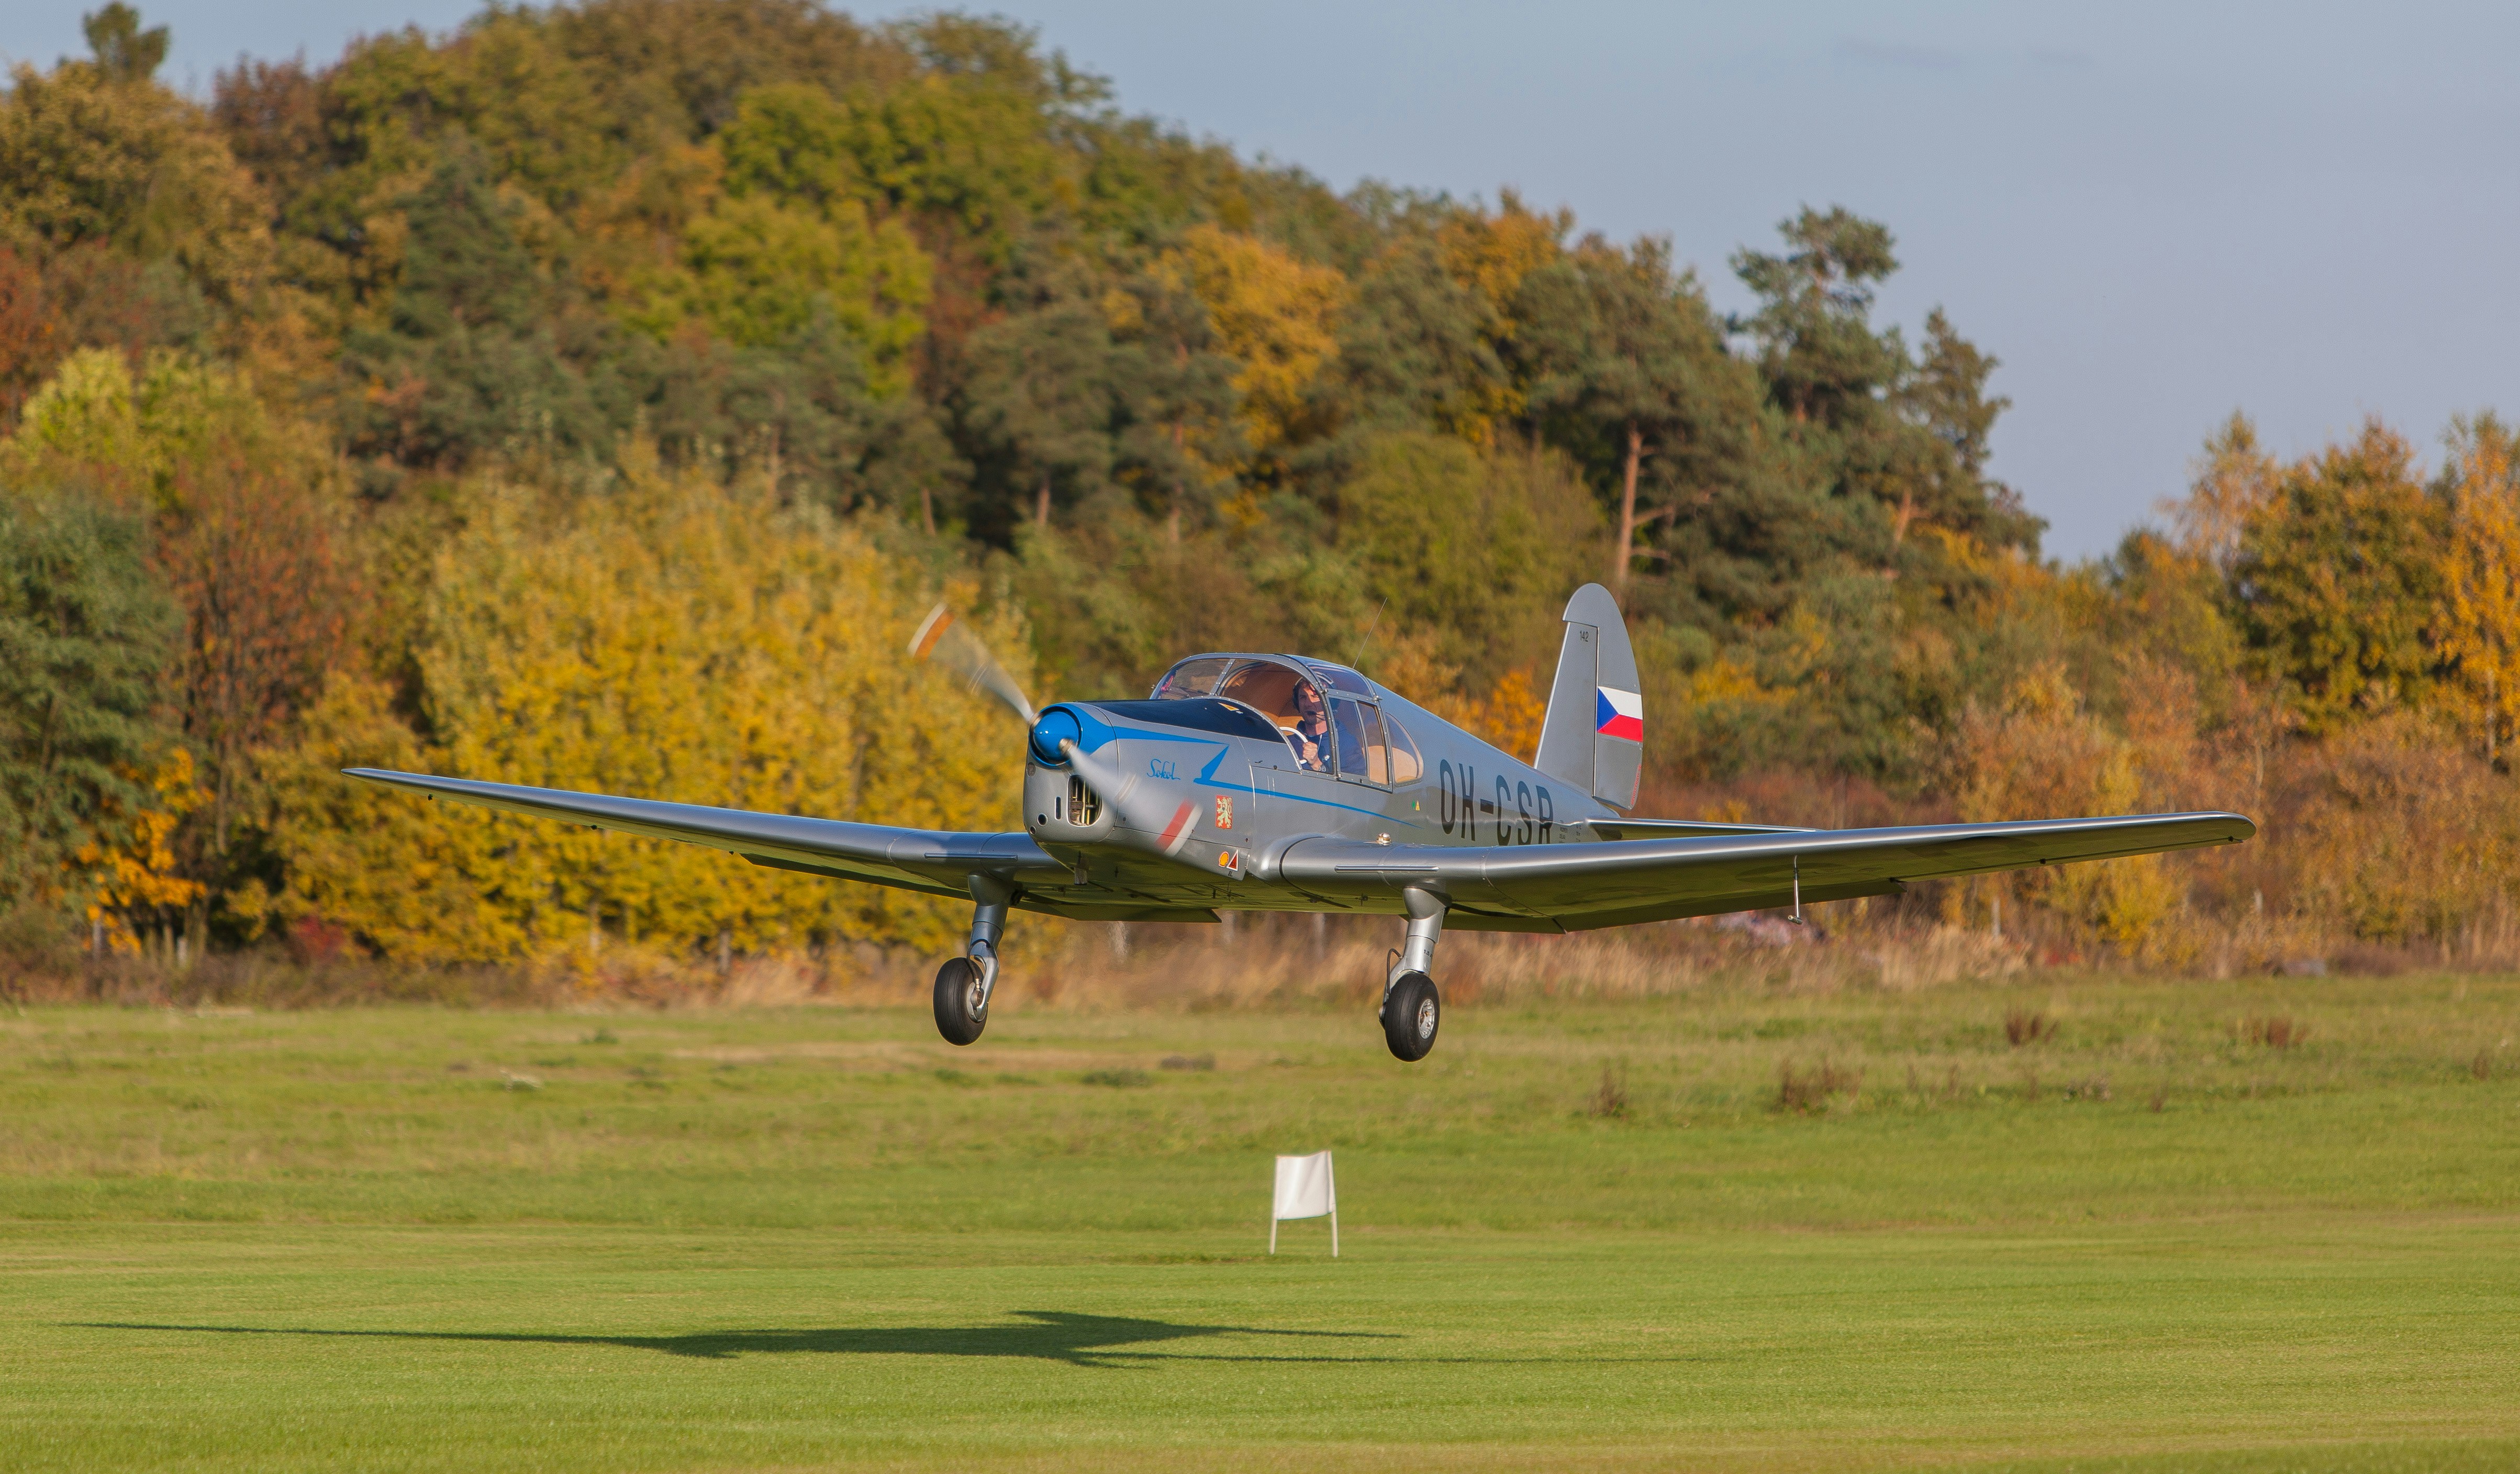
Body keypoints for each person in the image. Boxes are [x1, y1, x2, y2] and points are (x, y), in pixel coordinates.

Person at [1288, 681, 1332, 772]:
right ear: (1297, 703)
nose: (1308, 703)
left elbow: (1350, 786)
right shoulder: (1287, 743)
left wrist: (1316, 764)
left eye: (1315, 696)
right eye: (1303, 697)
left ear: (1330, 703)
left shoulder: (1347, 744)